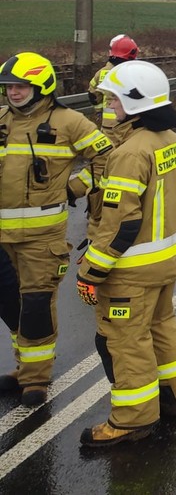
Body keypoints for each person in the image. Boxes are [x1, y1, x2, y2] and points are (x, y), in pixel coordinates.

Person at [75, 60, 176, 447]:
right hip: (167, 261)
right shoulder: (172, 139)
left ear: (133, 102)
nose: (109, 106)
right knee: (161, 327)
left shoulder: (129, 153)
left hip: (132, 269)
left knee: (125, 341)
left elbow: (121, 224)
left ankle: (131, 420)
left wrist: (91, 270)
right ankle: (172, 397)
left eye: (113, 99)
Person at [0, 52, 114, 407]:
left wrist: (75, 188)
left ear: (42, 86)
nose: (13, 93)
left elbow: (106, 158)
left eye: (21, 86)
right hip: (1, 239)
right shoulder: (1, 120)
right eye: (8, 87)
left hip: (42, 238)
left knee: (35, 305)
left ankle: (36, 379)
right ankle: (23, 368)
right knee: (9, 305)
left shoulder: (70, 122)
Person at [88, 34, 139, 126]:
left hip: (107, 124)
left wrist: (99, 110)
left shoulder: (101, 72)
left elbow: (92, 94)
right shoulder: (134, 72)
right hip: (130, 122)